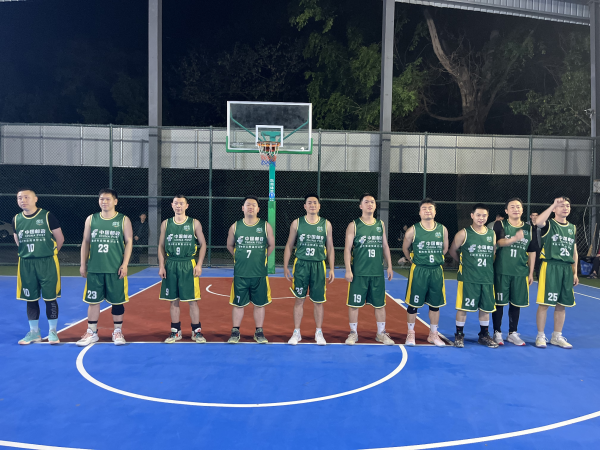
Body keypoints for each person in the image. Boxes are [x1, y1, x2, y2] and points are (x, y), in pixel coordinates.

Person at [77, 188, 133, 347]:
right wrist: (83, 264)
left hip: (115, 268)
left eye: (108, 199)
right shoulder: (91, 219)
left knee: (117, 302)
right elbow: (85, 242)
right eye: (101, 199)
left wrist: (125, 264)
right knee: (93, 301)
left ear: (115, 201)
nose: (104, 201)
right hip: (95, 268)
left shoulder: (123, 220)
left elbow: (129, 241)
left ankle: (117, 331)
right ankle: (92, 332)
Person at [13, 188, 64, 345]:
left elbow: (60, 238)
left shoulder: (47, 216)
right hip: (26, 263)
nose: (23, 200)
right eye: (19, 198)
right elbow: (18, 240)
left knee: (50, 298)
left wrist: (49, 253)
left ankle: (52, 332)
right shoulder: (16, 219)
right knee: (31, 299)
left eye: (26, 197)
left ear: (35, 199)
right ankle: (34, 332)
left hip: (47, 262)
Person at [283, 194, 335, 346]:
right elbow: (289, 245)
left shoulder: (326, 224)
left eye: (315, 203)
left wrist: (332, 268)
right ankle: (296, 332)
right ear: (305, 206)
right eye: (309, 203)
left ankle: (318, 332)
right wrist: (285, 266)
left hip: (318, 265)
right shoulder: (297, 223)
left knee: (318, 301)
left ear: (319, 206)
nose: (312, 205)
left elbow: (330, 247)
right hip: (301, 265)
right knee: (299, 299)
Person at [344, 193, 395, 345]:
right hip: (359, 272)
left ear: (375, 205)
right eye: (366, 202)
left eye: (372, 202)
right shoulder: (354, 225)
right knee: (354, 304)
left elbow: (385, 246)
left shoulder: (380, 224)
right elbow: (347, 249)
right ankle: (353, 333)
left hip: (377, 272)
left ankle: (381, 333)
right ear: (360, 206)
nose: (370, 204)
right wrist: (348, 269)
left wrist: (390, 266)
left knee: (380, 304)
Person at [226, 196, 275, 344]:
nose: (250, 207)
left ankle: (259, 332)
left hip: (259, 273)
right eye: (248, 204)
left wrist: (262, 257)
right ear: (243, 208)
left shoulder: (265, 226)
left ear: (258, 209)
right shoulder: (235, 226)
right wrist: (238, 256)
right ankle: (235, 331)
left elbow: (271, 245)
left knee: (259, 304)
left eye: (254, 205)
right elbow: (229, 245)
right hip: (241, 273)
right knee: (238, 304)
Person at [158, 196, 207, 344]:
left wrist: (199, 264)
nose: (178, 206)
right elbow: (161, 246)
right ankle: (175, 331)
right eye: (176, 203)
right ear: (172, 205)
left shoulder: (194, 223)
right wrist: (161, 265)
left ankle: (196, 331)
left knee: (192, 300)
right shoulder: (166, 223)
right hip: (171, 263)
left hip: (188, 264)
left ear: (187, 206)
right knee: (173, 300)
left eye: (181, 203)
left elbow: (203, 244)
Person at [449, 203, 498, 348]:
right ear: (472, 216)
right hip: (468, 278)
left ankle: (484, 335)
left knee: (485, 308)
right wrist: (463, 262)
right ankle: (459, 335)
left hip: (486, 277)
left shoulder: (491, 234)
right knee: (463, 307)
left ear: (487, 217)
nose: (481, 218)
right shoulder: (463, 233)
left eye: (484, 215)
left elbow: (493, 252)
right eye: (478, 215)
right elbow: (452, 250)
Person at [402, 198, 448, 347]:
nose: (427, 211)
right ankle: (410, 333)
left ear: (435, 211)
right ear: (420, 212)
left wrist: (435, 258)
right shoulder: (413, 230)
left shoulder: (442, 229)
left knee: (435, 305)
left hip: (436, 270)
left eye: (430, 208)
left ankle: (433, 334)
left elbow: (445, 248)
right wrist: (412, 260)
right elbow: (405, 248)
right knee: (413, 304)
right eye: (424, 208)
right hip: (419, 271)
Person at [491, 198, 536, 346]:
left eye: (518, 207)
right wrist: (514, 238)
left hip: (520, 271)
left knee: (516, 303)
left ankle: (512, 333)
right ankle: (497, 332)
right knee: (499, 302)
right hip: (502, 270)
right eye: (512, 207)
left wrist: (531, 272)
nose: (516, 209)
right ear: (506, 210)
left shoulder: (529, 228)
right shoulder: (500, 224)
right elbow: (498, 242)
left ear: (522, 210)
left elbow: (532, 251)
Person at [534, 197, 578, 349]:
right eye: (561, 206)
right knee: (545, 303)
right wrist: (553, 203)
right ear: (554, 209)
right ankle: (540, 335)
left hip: (566, 268)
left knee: (562, 304)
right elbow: (538, 222)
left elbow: (574, 251)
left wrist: (575, 272)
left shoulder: (572, 227)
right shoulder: (549, 224)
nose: (565, 208)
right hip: (550, 266)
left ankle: (556, 336)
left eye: (567, 205)